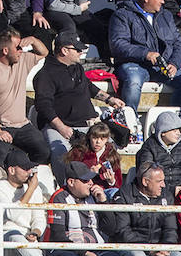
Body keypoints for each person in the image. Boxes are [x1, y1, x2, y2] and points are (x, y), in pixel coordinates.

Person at [34, 31, 122, 168]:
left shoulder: (77, 67)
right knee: (60, 154)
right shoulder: (46, 75)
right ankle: (67, 186)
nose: (81, 52)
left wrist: (109, 99)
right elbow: (43, 106)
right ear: (64, 50)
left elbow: (88, 86)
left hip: (87, 125)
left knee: (111, 152)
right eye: (77, 49)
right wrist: (62, 128)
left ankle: (106, 186)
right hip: (61, 127)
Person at [110, 0, 181, 111]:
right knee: (133, 82)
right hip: (134, 64)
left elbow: (177, 43)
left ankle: (170, 120)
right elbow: (118, 45)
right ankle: (129, 123)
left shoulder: (165, 15)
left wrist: (174, 64)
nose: (163, 2)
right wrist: (146, 54)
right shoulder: (122, 15)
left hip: (162, 66)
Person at [0, 28, 49, 163]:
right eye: (17, 47)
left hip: (22, 125)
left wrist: (33, 40)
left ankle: (28, 176)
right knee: (3, 151)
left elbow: (44, 52)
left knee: (43, 150)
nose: (21, 50)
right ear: (5, 51)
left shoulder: (22, 60)